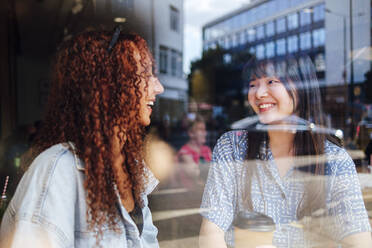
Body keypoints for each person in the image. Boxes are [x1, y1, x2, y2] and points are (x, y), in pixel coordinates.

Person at [0, 28, 164, 247]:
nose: (158, 87)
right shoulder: (57, 171)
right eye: (144, 74)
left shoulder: (132, 166)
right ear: (106, 85)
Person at [199, 57, 372, 247]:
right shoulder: (232, 147)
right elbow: (211, 232)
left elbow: (359, 239)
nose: (259, 93)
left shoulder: (334, 159)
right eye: (253, 84)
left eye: (271, 81)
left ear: (301, 88)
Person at [176, 117, 212, 189]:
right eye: (201, 130)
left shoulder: (207, 150)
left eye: (205, 130)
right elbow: (197, 175)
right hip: (190, 196)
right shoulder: (184, 152)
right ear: (191, 133)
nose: (205, 133)